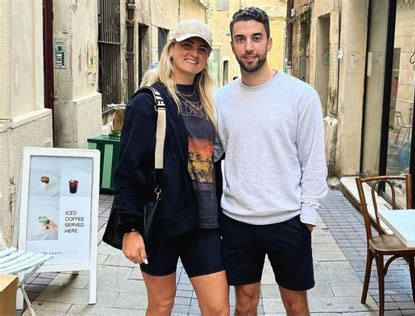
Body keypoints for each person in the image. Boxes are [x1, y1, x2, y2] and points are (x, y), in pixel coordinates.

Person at [109, 19, 229, 315]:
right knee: (162, 304)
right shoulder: (148, 102)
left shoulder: (211, 103)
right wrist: (130, 229)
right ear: (171, 49)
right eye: (187, 45)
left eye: (202, 48)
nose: (194, 53)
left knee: (218, 309)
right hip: (162, 222)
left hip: (204, 222)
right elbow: (128, 170)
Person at [214, 7, 328, 316]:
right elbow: (210, 154)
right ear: (233, 44)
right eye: (240, 39)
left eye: (256, 38)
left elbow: (314, 160)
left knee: (296, 305)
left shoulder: (300, 95)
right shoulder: (221, 99)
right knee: (245, 303)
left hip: (288, 219)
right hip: (237, 219)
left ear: (269, 42)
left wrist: (308, 215)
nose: (248, 46)